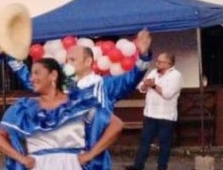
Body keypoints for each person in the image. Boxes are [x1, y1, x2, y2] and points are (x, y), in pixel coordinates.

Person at [8, 29, 153, 111]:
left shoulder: (105, 85)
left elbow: (132, 77)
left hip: (93, 157)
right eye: (66, 60)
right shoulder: (62, 84)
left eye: (73, 60)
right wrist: (10, 55)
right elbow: (32, 81)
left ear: (88, 61)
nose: (67, 64)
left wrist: (144, 55)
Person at [125, 52, 182, 170]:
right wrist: (145, 84)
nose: (157, 64)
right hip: (150, 113)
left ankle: (162, 168)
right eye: (157, 61)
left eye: (161, 62)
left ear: (169, 64)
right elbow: (141, 88)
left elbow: (168, 94)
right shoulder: (153, 72)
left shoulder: (175, 75)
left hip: (166, 115)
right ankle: (138, 166)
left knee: (164, 142)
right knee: (144, 140)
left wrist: (154, 85)